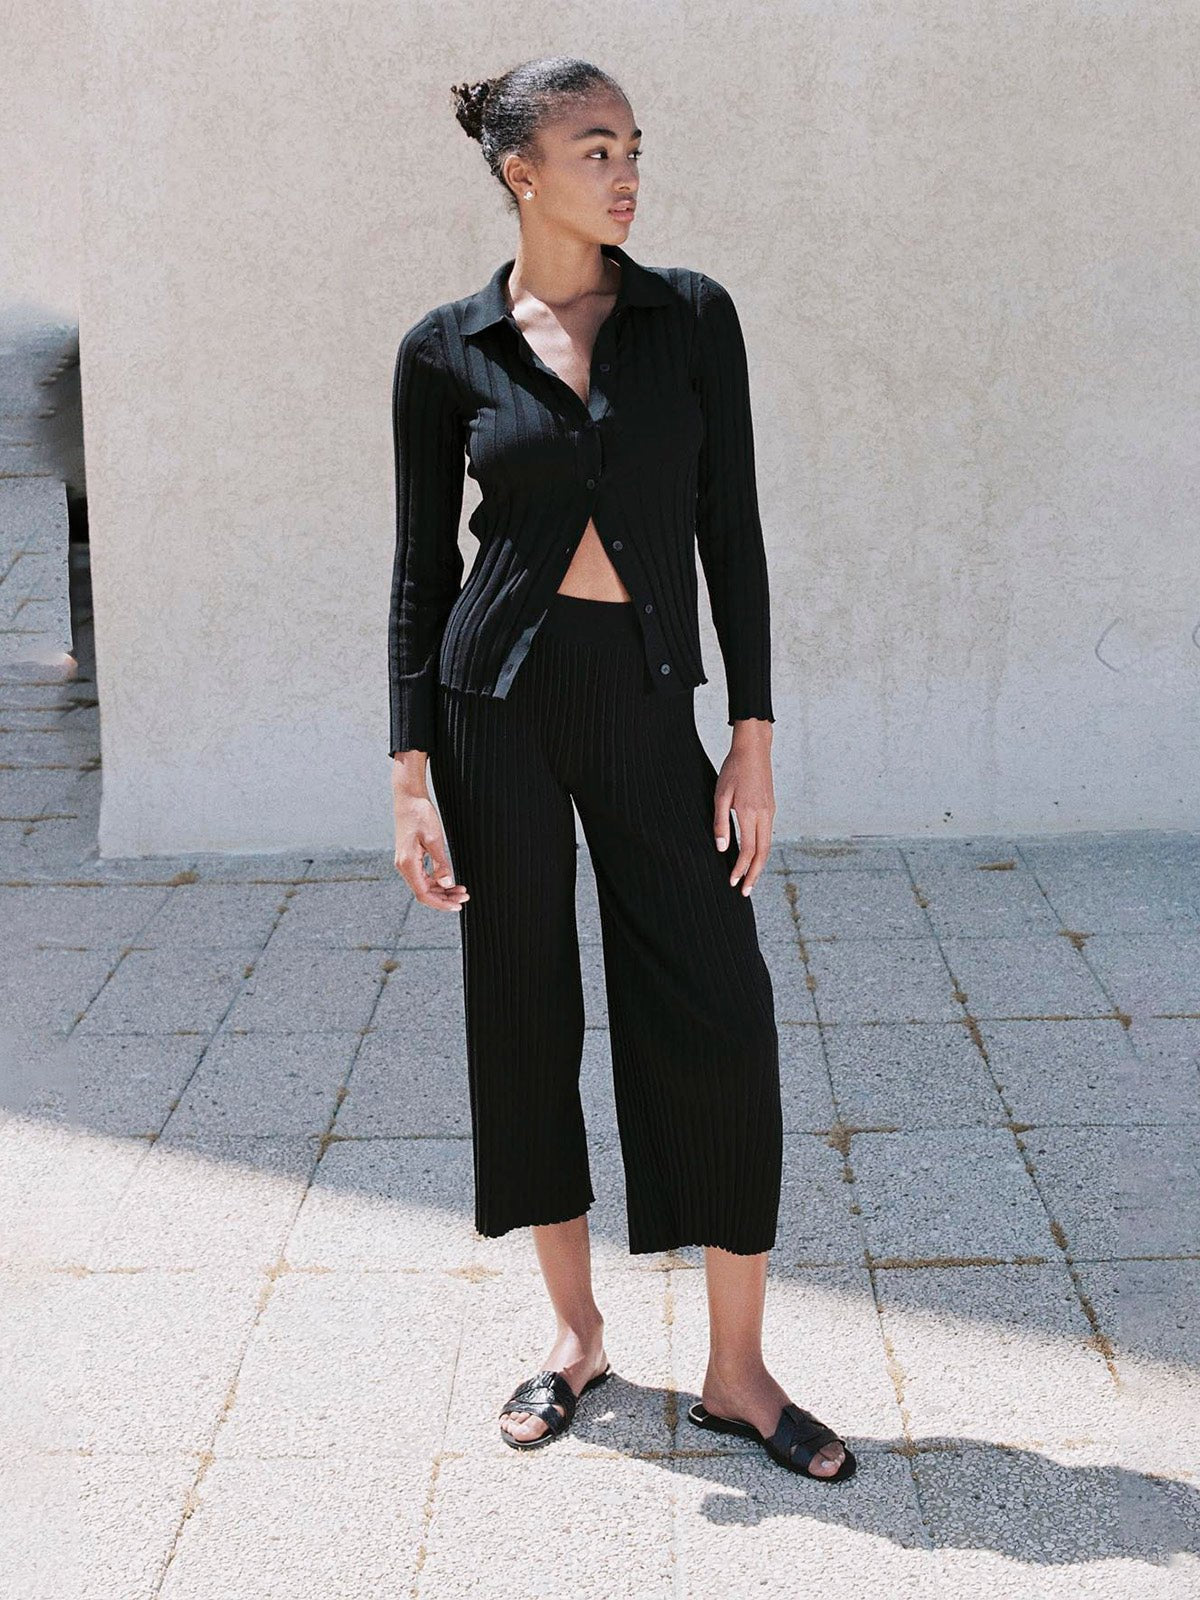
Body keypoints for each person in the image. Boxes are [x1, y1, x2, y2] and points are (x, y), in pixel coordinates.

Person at [388, 54, 855, 1484]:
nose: (628, 172)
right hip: (496, 709)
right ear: (521, 171)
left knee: (716, 1004)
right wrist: (410, 769)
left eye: (634, 145)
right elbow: (418, 572)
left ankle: (737, 1372)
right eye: (596, 149)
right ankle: (576, 1338)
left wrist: (753, 736)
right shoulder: (445, 349)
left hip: (651, 704)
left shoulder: (690, 318)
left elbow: (735, 533)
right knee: (524, 1008)